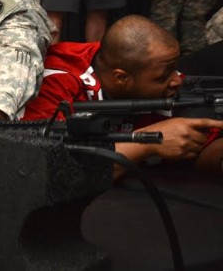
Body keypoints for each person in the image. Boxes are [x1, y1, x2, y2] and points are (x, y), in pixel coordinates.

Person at [22, 14, 223, 178]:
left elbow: (202, 149)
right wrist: (148, 143)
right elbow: (47, 169)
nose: (177, 80)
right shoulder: (56, 80)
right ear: (121, 78)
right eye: (164, 75)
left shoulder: (145, 69)